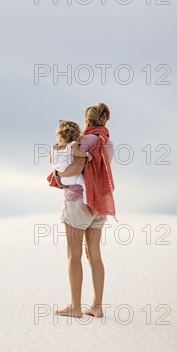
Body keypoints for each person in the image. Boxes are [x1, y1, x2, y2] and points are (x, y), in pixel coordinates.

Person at [55, 103, 116, 319]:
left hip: (78, 202)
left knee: (74, 254)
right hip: (99, 204)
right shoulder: (109, 143)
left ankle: (75, 307)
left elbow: (74, 167)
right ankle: (97, 306)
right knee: (94, 253)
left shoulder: (84, 141)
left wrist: (58, 176)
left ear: (88, 121)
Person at [49, 120, 92, 213]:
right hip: (73, 177)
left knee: (66, 190)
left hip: (60, 178)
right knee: (85, 183)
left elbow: (51, 161)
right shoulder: (72, 145)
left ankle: (66, 202)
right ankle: (86, 203)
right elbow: (77, 153)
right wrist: (87, 154)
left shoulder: (53, 148)